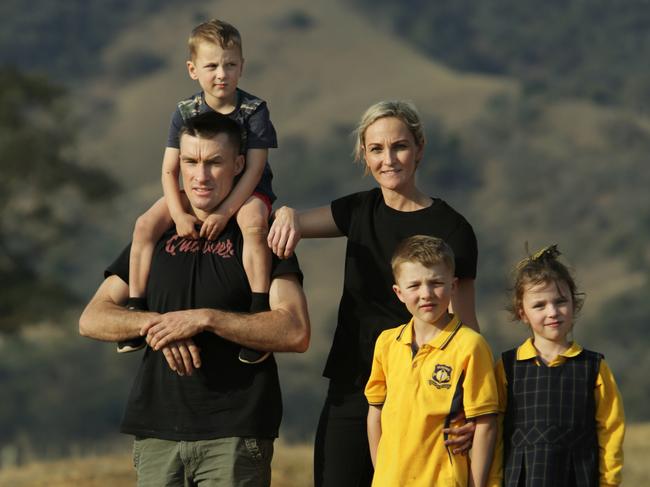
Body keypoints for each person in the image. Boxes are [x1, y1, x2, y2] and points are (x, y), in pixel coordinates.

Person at [79, 112, 310, 487]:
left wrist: (206, 318)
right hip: (156, 434)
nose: (200, 176)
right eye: (191, 162)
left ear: (239, 165)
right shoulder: (155, 236)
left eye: (214, 162)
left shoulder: (259, 237)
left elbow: (295, 330)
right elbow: (92, 318)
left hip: (234, 435)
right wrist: (160, 325)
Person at [267, 100, 479, 486]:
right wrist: (285, 214)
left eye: (399, 146)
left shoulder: (453, 229)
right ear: (364, 156)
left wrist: (468, 409)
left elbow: (466, 327)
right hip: (352, 385)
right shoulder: (358, 210)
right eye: (376, 149)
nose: (389, 159)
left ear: (419, 149)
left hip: (424, 393)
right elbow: (292, 223)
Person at [121, 19, 277, 365]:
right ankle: (135, 304)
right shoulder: (185, 111)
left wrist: (226, 211)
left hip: (247, 191)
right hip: (193, 192)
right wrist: (177, 213)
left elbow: (253, 169)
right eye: (211, 66)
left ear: (242, 67)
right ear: (193, 70)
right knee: (145, 225)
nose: (221, 74)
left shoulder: (254, 111)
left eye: (230, 65)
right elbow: (169, 169)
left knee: (254, 225)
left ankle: (258, 304)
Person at [365, 235, 498, 487]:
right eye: (414, 285)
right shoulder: (386, 342)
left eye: (436, 282)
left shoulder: (471, 345)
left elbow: (485, 423)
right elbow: (375, 413)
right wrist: (381, 473)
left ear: (453, 286)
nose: (426, 294)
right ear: (399, 292)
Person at [488, 245, 625, 487]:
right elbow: (495, 432)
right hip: (521, 479)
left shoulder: (593, 367)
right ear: (522, 313)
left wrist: (609, 482)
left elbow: (611, 430)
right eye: (539, 305)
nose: (552, 312)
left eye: (560, 301)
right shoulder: (507, 367)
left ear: (574, 304)